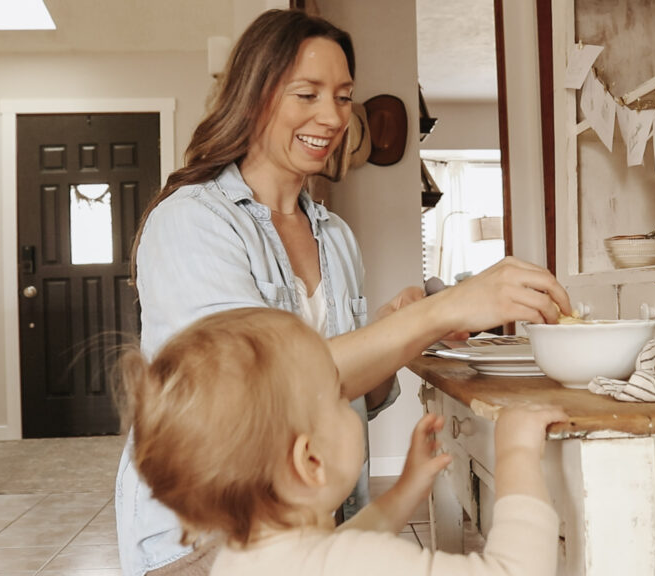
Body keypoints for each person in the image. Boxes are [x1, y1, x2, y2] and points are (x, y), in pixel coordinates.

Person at [116, 8, 572, 576]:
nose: (331, 116)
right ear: (252, 97)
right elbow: (254, 398)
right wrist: (437, 312)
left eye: (342, 95)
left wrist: (397, 331)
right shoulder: (192, 222)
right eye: (306, 94)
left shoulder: (334, 235)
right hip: (204, 543)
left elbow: (349, 393)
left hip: (311, 527)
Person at [124, 307, 568, 576]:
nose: (349, 399)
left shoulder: (239, 558)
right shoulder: (345, 563)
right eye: (339, 394)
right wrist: (515, 454)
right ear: (311, 459)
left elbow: (337, 551)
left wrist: (402, 492)